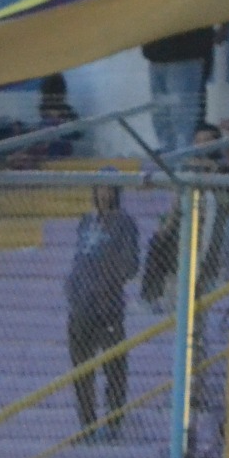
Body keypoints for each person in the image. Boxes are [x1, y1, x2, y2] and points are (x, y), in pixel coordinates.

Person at [67, 185, 139, 438]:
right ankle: (87, 424)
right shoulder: (86, 221)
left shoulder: (125, 223)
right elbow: (78, 257)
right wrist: (73, 289)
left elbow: (130, 264)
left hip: (108, 305)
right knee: (82, 368)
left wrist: (107, 280)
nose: (104, 194)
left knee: (114, 365)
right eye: (99, 189)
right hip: (81, 306)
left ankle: (114, 421)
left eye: (109, 189)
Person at [142, 0, 220, 153]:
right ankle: (166, 157)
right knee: (161, 113)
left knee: (183, 115)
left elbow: (220, 0)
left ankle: (183, 162)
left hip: (187, 56)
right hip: (157, 56)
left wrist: (224, 26)